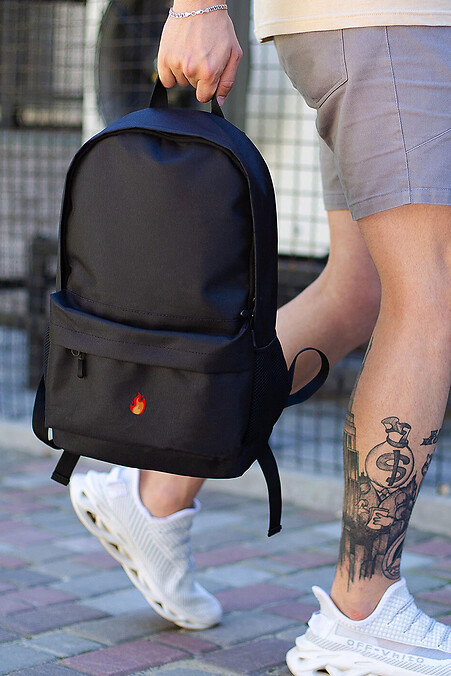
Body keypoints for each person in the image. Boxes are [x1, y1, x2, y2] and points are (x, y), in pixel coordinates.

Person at [70, 1, 451, 673]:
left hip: (375, 28)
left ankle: (156, 495)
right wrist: (198, 6)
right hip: (386, 22)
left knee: (356, 290)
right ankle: (362, 613)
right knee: (430, 292)